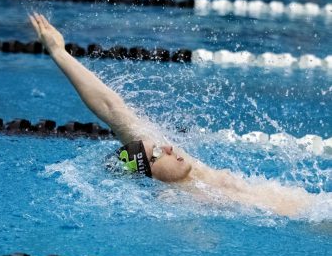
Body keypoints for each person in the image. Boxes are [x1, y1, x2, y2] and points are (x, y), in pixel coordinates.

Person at [29, 13, 313, 217]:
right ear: (148, 175)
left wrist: (59, 52)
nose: (167, 146)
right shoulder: (176, 198)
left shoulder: (191, 169)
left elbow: (112, 108)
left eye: (158, 146)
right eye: (156, 156)